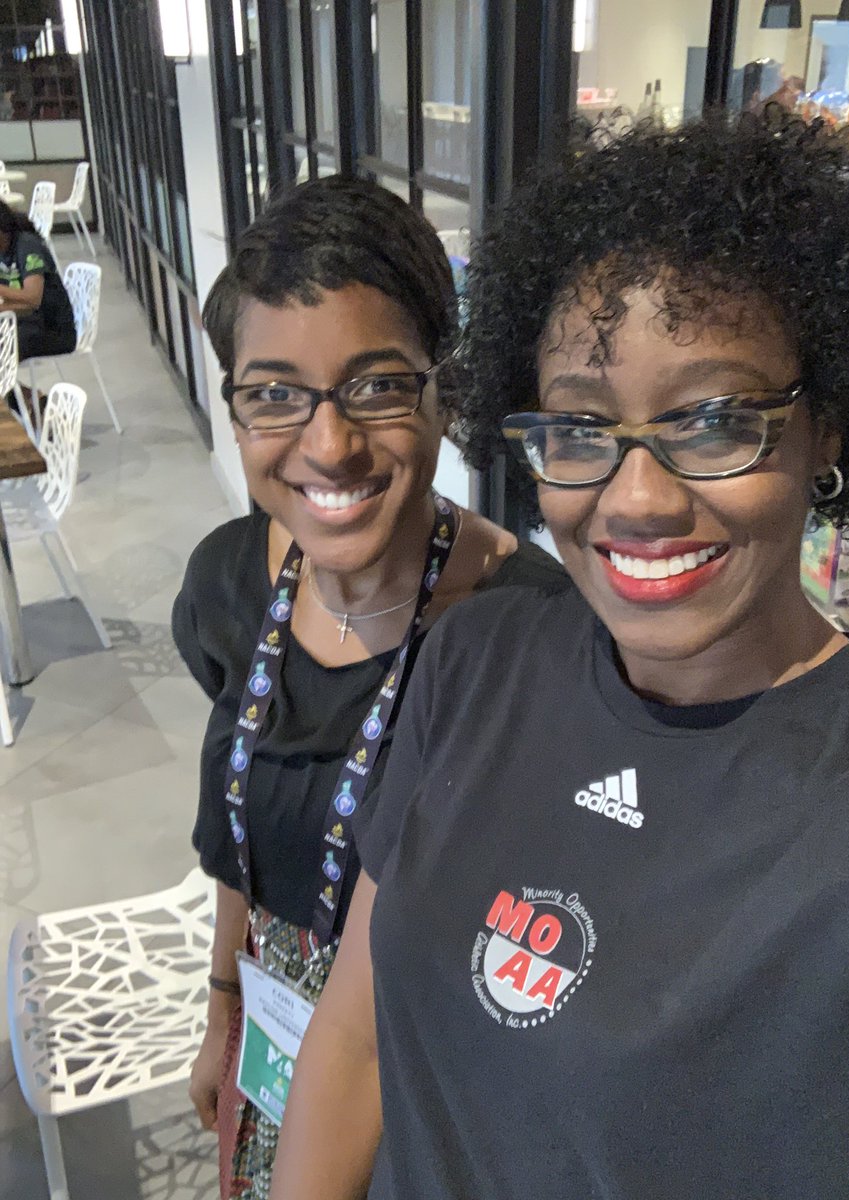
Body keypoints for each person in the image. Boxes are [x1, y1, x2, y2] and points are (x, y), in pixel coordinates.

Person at [270, 113, 849, 1199]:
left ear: (827, 425)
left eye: (713, 421)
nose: (638, 498)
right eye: (579, 428)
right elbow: (360, 1039)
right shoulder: (473, 661)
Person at [172, 176, 565, 1200]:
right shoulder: (227, 586)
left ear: (444, 390)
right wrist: (222, 1009)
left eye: (379, 386)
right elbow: (247, 828)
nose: (330, 443)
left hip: (440, 1085)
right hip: (272, 1040)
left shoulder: (529, 633)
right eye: (274, 394)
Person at [0, 200, 75, 364]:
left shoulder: (27, 246)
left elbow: (33, 299)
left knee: (3, 350)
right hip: (25, 321)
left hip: (52, 329)